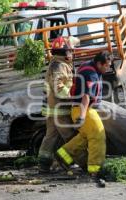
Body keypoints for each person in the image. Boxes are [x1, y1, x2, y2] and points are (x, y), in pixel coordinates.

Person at [56, 51, 112, 176]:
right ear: (99, 63)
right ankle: (95, 170)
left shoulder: (90, 66)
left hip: (82, 108)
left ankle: (64, 155)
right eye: (106, 65)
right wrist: (81, 117)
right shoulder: (91, 73)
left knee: (85, 136)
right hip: (83, 109)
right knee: (98, 134)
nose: (108, 68)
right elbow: (86, 96)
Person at [38, 36, 80, 173]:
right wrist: (73, 97)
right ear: (66, 52)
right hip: (60, 110)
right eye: (71, 51)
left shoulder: (57, 63)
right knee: (70, 137)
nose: (73, 53)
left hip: (52, 109)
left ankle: (44, 165)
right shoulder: (60, 66)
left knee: (50, 138)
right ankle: (70, 162)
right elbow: (59, 87)